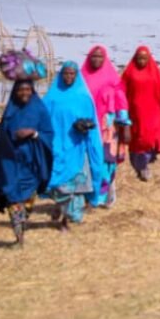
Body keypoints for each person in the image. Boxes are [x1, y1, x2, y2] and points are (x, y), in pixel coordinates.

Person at [0, 80, 54, 246]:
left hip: (33, 162)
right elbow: (1, 135)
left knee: (27, 200)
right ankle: (19, 236)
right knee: (12, 196)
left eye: (27, 89)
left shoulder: (39, 109)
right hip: (11, 162)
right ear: (15, 92)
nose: (24, 93)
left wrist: (33, 133)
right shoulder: (11, 110)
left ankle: (22, 224)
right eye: (20, 90)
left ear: (32, 91)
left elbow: (48, 134)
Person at [43, 62, 106, 231]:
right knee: (57, 182)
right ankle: (59, 207)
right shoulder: (51, 97)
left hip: (77, 147)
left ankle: (66, 219)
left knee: (74, 186)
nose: (69, 77)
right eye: (66, 73)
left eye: (72, 74)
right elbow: (42, 119)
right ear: (61, 75)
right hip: (56, 146)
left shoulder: (83, 98)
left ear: (77, 76)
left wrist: (85, 126)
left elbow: (92, 121)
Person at [121, 46, 160, 181]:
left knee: (150, 139)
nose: (142, 61)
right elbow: (122, 92)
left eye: (144, 58)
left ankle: (145, 164)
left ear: (149, 59)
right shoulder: (129, 73)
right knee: (138, 141)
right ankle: (140, 166)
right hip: (135, 114)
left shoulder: (155, 73)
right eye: (139, 58)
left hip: (153, 113)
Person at [81, 45, 130, 208]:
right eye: (93, 56)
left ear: (105, 58)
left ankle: (103, 196)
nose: (96, 59)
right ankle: (88, 195)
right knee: (87, 162)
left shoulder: (112, 79)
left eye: (100, 56)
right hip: (87, 127)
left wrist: (125, 124)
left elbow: (121, 102)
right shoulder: (82, 77)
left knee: (105, 162)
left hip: (108, 129)